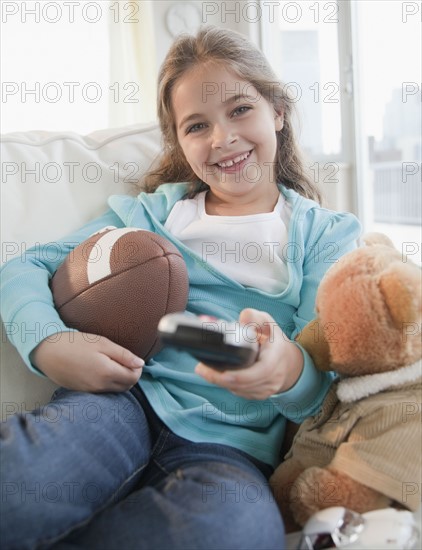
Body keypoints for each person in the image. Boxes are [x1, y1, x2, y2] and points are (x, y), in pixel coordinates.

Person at [0, 25, 361, 550]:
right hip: (119, 400)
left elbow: (317, 389)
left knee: (237, 530)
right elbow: (24, 267)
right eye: (197, 125)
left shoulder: (326, 235)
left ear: (277, 112)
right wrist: (49, 343)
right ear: (180, 144)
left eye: (240, 109)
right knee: (30, 478)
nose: (222, 138)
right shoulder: (151, 214)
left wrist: (282, 369)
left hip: (229, 448)